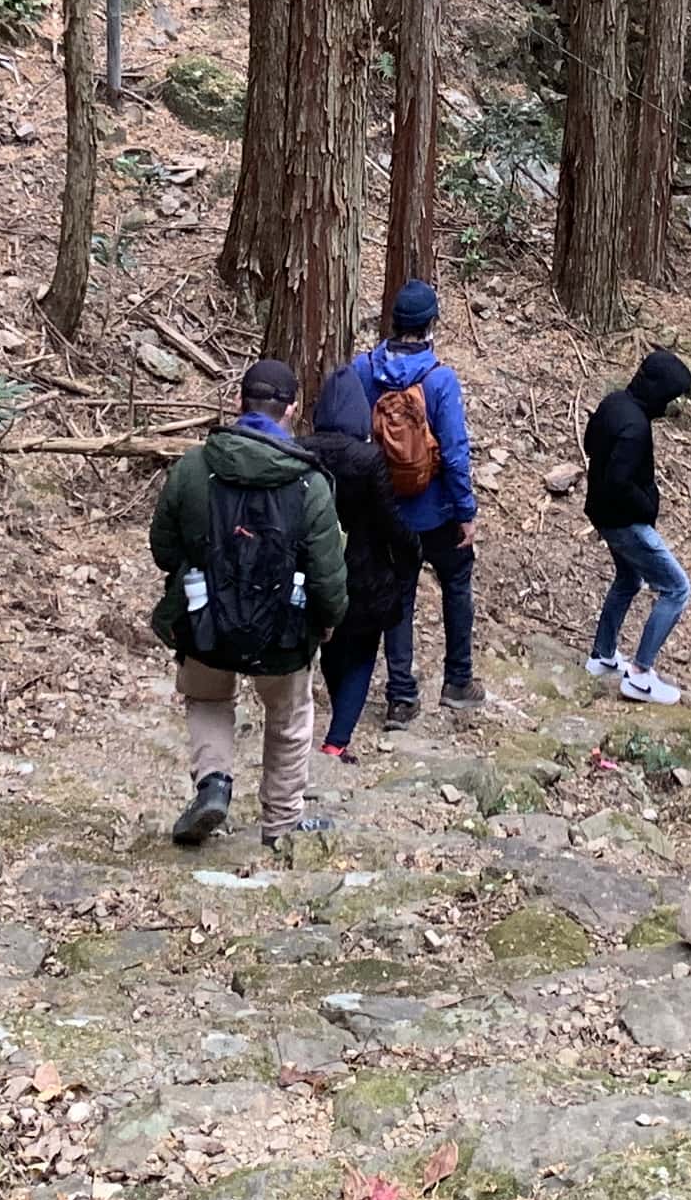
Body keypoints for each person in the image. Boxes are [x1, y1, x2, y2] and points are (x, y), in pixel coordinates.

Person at [149, 356, 349, 854]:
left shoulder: (195, 467)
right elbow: (327, 573)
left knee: (210, 698)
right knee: (288, 713)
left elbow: (163, 548)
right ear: (293, 409)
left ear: (239, 403)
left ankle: (214, 782)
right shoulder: (311, 483)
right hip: (284, 630)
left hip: (204, 620)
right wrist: (327, 622)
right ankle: (281, 823)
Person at [360, 281, 481, 721]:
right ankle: (458, 680)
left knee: (401, 597)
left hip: (388, 511)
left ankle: (401, 697)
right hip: (438, 512)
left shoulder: (363, 370)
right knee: (456, 585)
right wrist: (465, 511)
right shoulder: (440, 379)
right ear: (431, 324)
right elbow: (453, 451)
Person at [308, 354, 420, 760]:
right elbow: (390, 519)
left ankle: (337, 733)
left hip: (315, 573)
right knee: (360, 656)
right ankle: (337, 741)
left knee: (330, 651)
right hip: (364, 576)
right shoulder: (367, 459)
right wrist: (412, 551)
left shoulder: (301, 453)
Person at [578, 346, 691, 704]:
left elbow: (588, 442)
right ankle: (640, 675)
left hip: (600, 513)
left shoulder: (614, 404)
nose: (671, 404)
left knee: (629, 579)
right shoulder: (635, 427)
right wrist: (648, 505)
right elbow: (618, 481)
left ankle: (602, 655)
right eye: (671, 396)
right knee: (676, 589)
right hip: (625, 523)